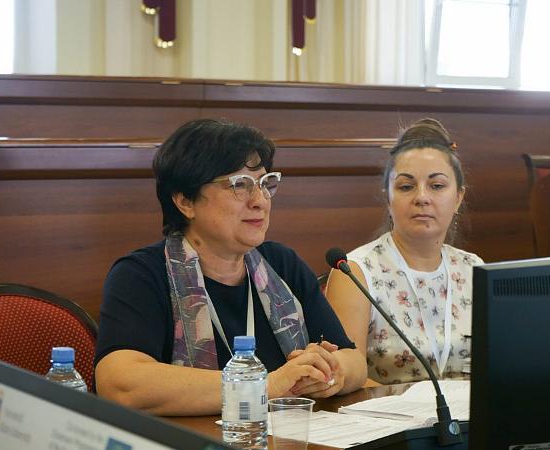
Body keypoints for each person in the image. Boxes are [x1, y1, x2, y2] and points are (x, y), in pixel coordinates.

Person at [94, 118, 366, 416]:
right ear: (185, 201)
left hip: (288, 438)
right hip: (195, 443)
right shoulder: (141, 275)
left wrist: (330, 373)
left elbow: (354, 361)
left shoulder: (281, 265)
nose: (260, 200)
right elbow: (120, 384)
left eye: (264, 183)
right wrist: (263, 385)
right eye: (240, 185)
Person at [326, 118, 483, 384]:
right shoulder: (355, 273)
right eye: (406, 187)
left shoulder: (474, 268)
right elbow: (344, 380)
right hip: (388, 411)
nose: (422, 197)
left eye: (436, 186)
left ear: (458, 197)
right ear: (388, 199)